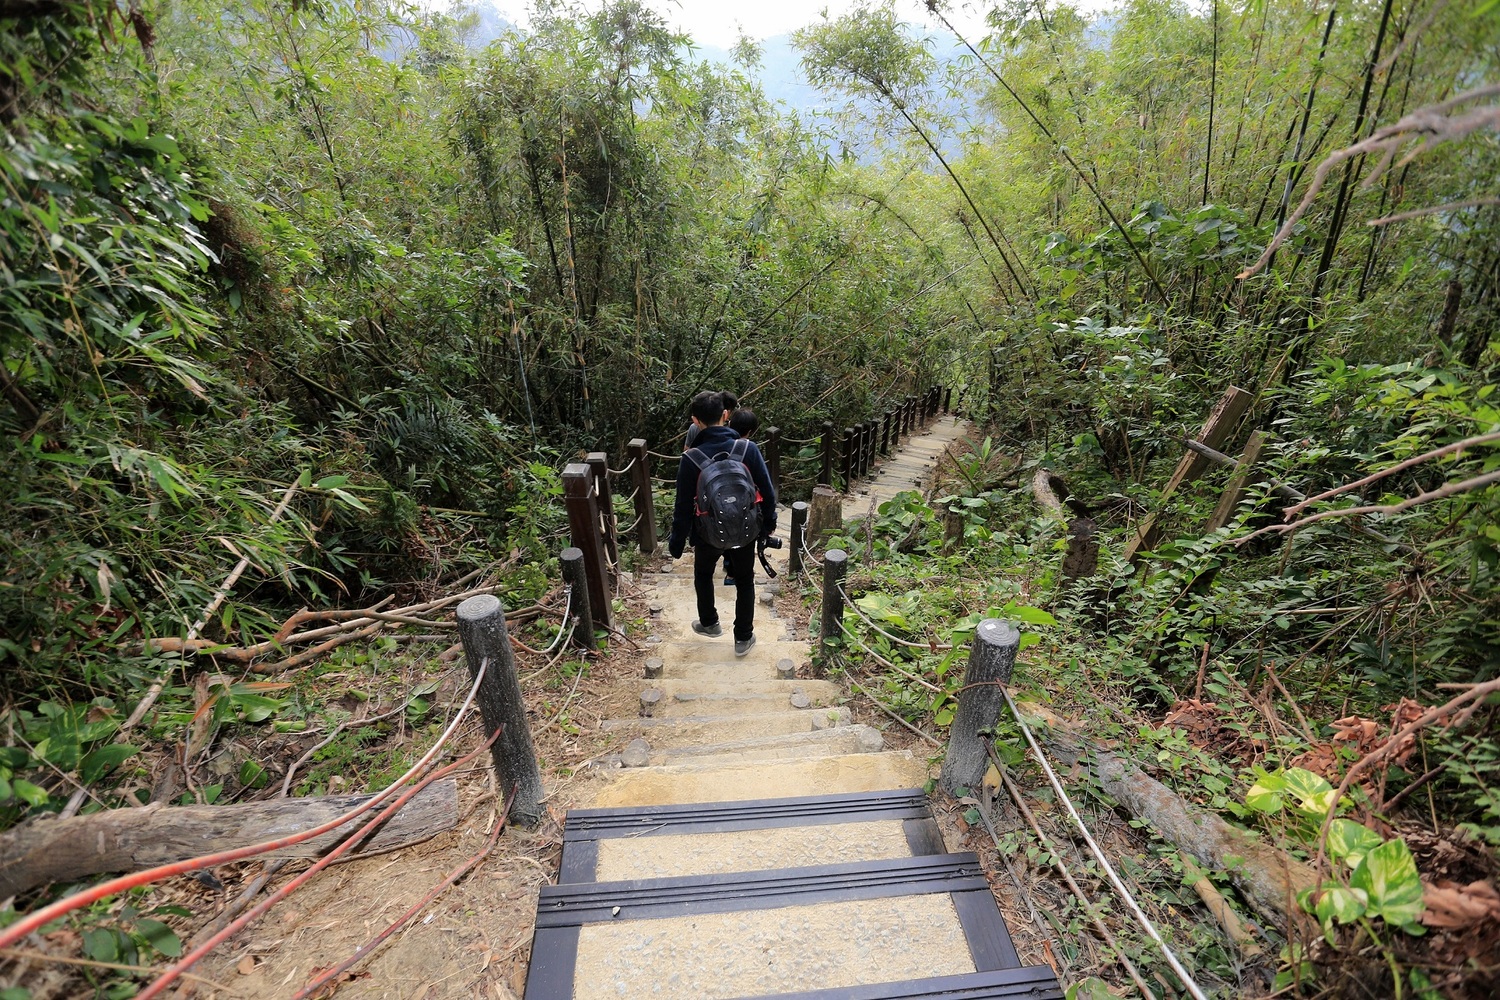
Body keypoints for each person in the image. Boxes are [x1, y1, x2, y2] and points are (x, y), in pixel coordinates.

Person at [667, 391, 776, 657]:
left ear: (695, 420)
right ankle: (743, 637)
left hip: (707, 533)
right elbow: (768, 490)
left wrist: (677, 542)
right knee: (745, 580)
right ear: (725, 415)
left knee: (703, 574)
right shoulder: (746, 448)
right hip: (745, 529)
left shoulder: (691, 458)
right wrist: (768, 524)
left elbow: (682, 506)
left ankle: (710, 623)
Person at [722, 406, 760, 587]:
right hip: (745, 506)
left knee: (724, 534)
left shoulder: (718, 444)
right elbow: (763, 483)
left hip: (720, 503)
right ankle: (737, 575)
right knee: (743, 541)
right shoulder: (750, 449)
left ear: (729, 423)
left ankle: (729, 571)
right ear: (751, 431)